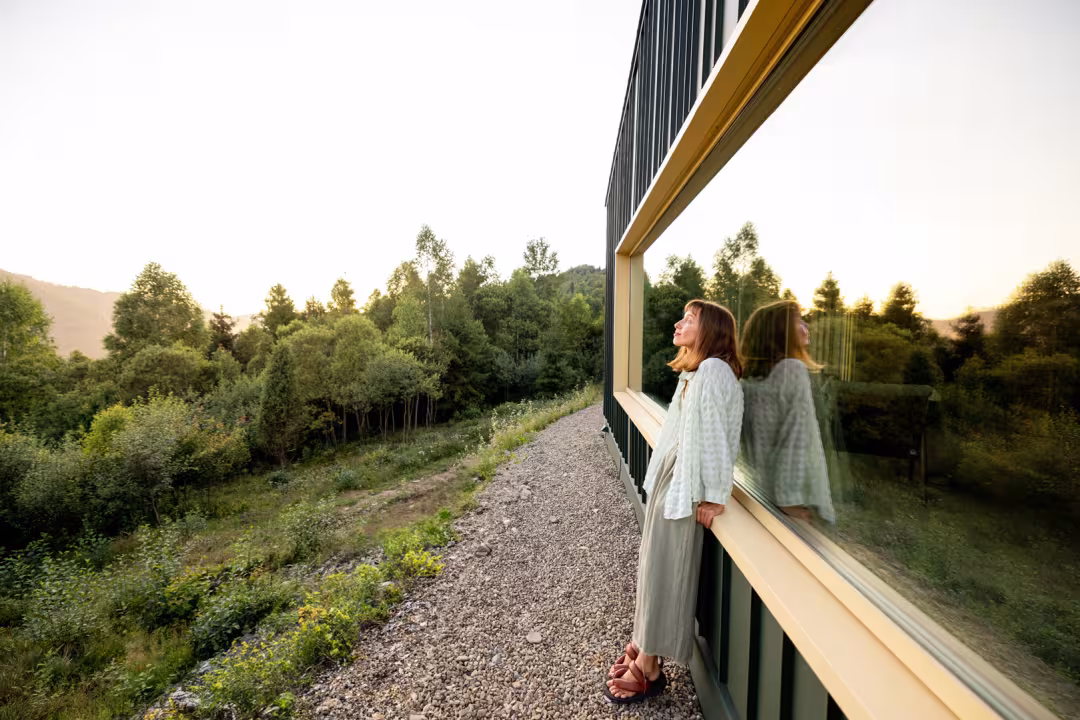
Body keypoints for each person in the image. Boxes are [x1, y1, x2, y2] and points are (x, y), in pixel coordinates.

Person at [605, 299, 744, 704]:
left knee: (667, 568)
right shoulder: (698, 371)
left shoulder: (715, 371)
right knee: (653, 564)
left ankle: (649, 667)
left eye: (690, 319)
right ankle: (641, 641)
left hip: (686, 482)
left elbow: (719, 439)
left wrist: (715, 497)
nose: (679, 323)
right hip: (675, 475)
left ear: (712, 331)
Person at [738, 300, 835, 523]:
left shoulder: (749, 382)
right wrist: (790, 501)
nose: (806, 326)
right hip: (792, 502)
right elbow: (795, 440)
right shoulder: (792, 371)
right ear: (781, 333)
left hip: (760, 491)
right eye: (799, 321)